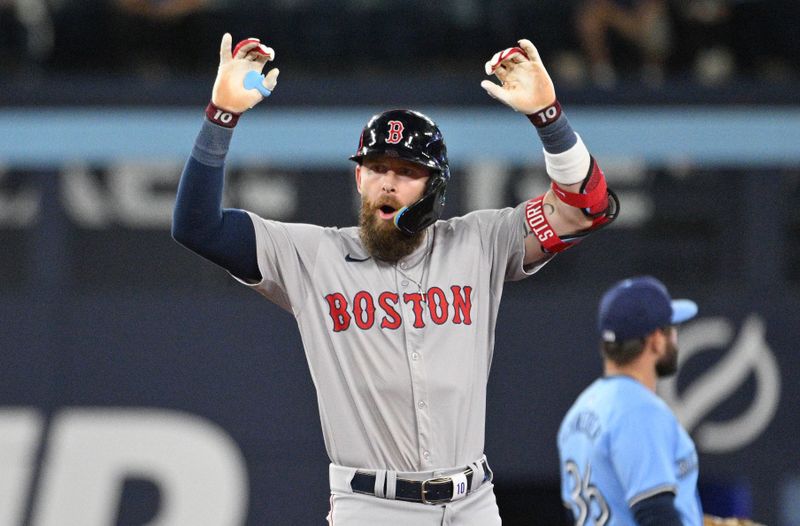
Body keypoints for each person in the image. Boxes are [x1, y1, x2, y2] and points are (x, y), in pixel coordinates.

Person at [172, 33, 618, 525]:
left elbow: (587, 208)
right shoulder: (313, 255)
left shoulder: (480, 243)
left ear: (435, 189)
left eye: (408, 171)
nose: (388, 181)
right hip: (372, 506)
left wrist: (549, 118)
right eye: (377, 167)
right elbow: (198, 227)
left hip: (474, 502)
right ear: (359, 178)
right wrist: (221, 115)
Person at [557, 276, 702, 525]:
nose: (675, 337)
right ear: (656, 339)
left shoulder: (579, 410)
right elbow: (655, 514)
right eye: (672, 328)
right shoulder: (640, 411)